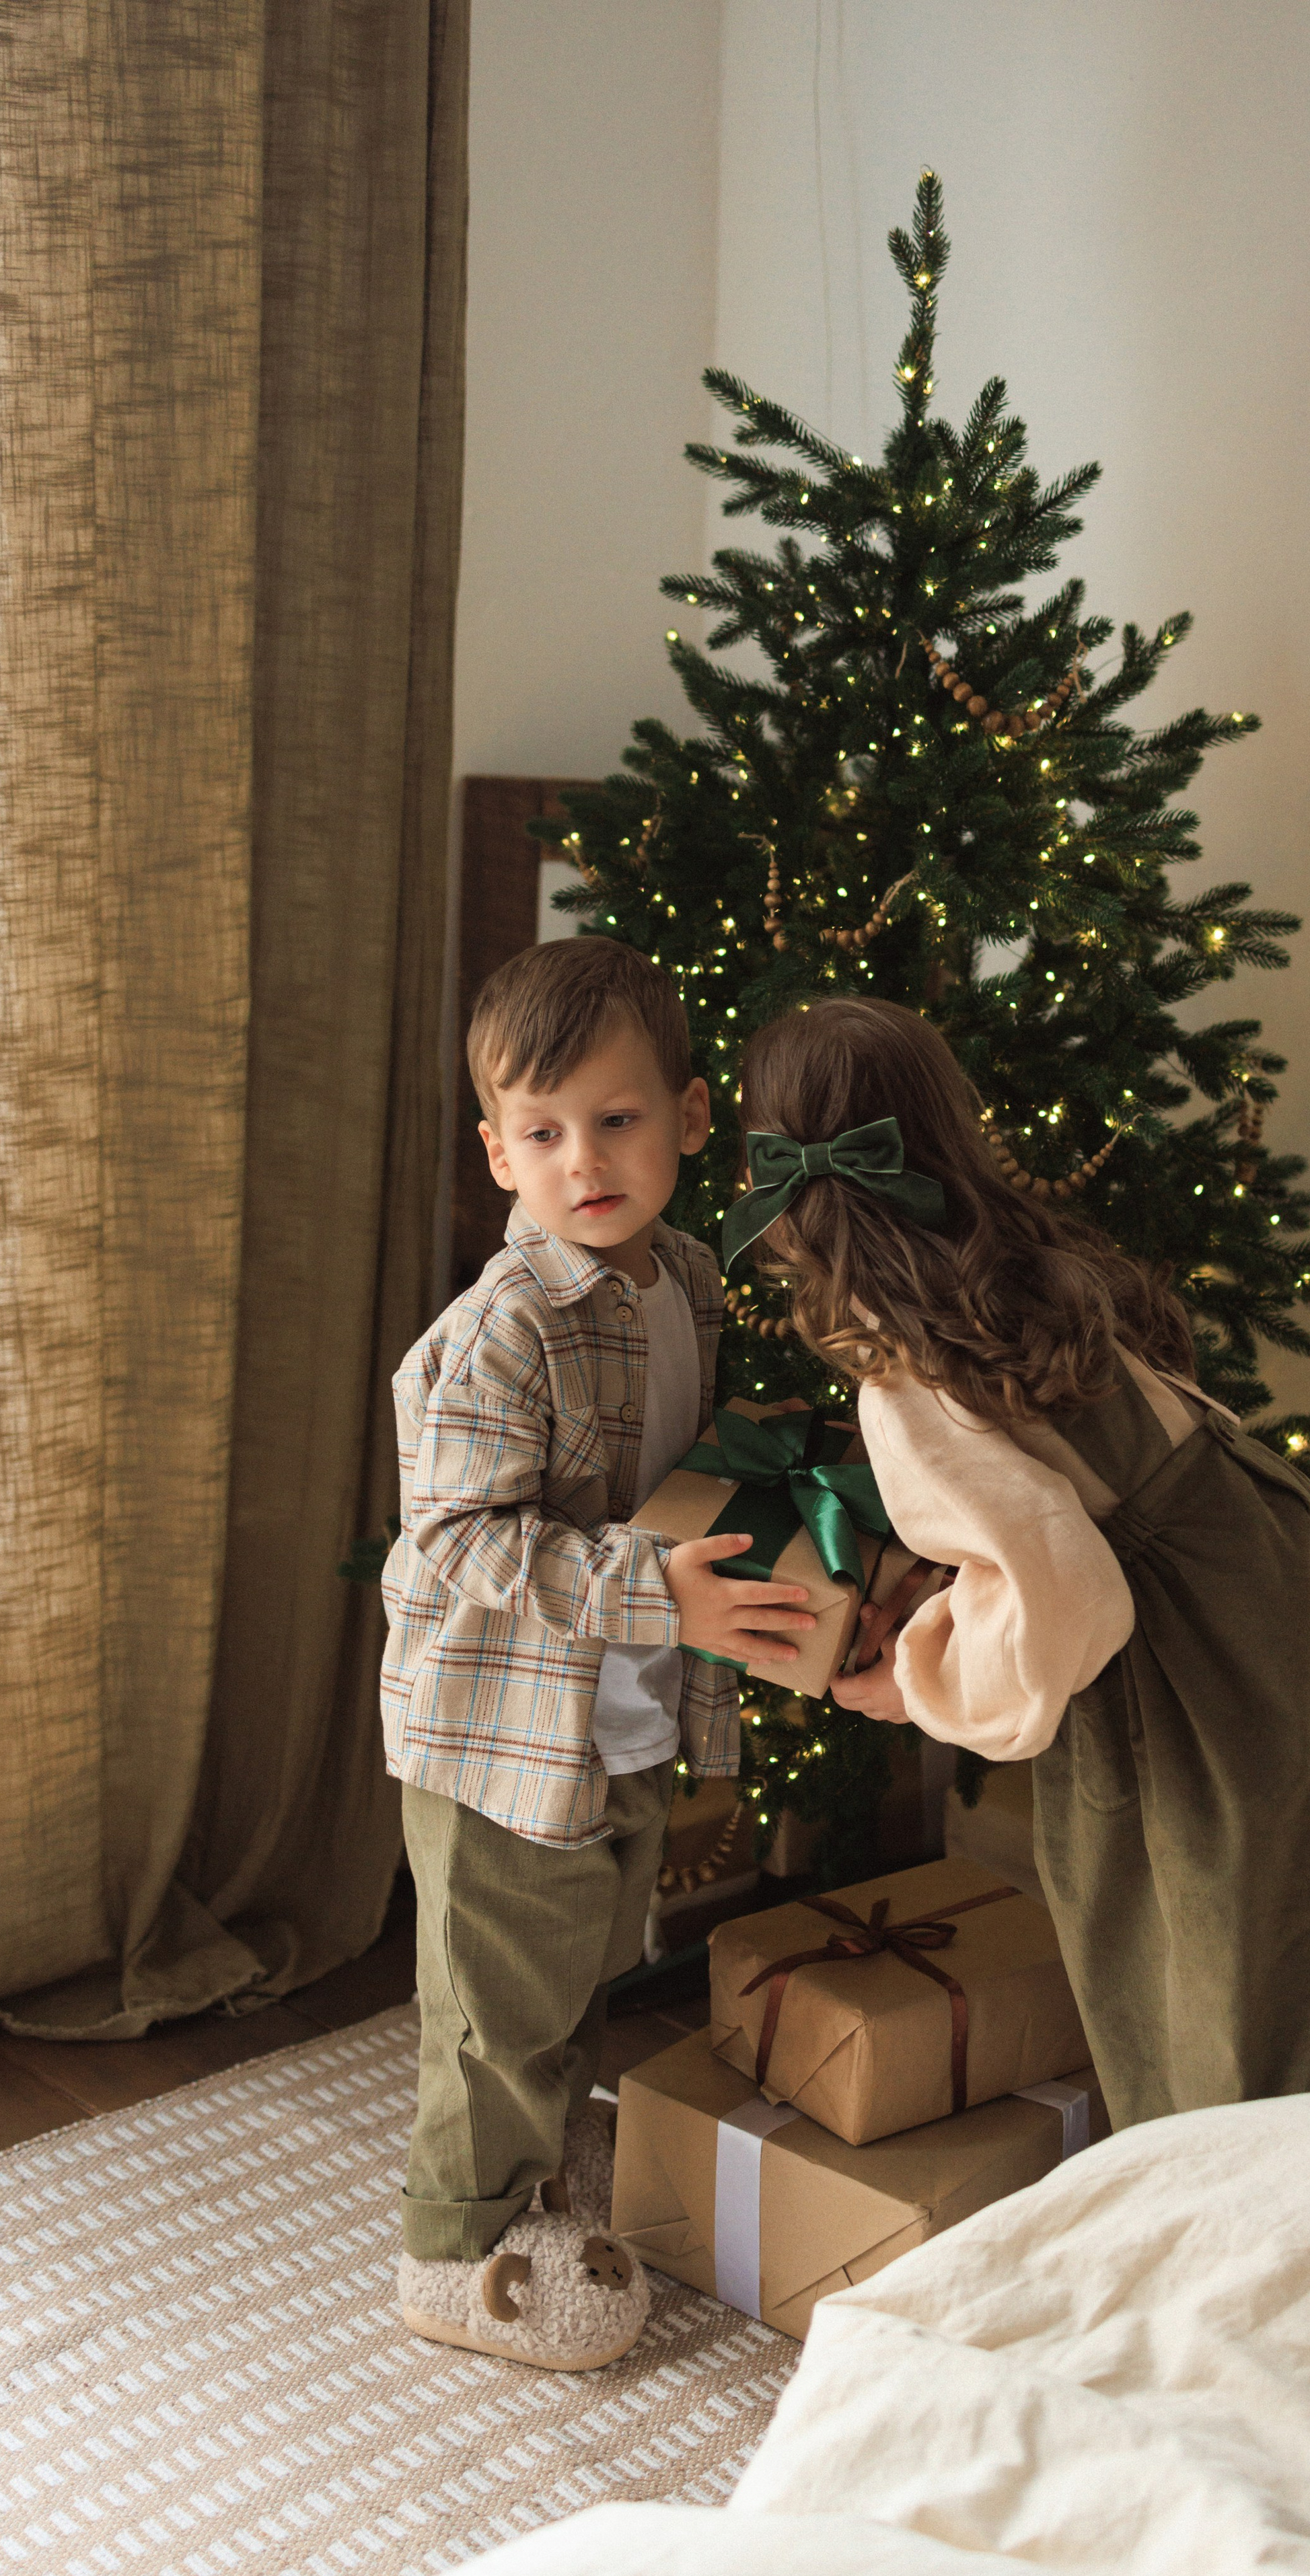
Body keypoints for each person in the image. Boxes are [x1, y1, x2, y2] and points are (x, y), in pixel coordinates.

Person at [722, 995, 1310, 2130]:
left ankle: (1249, 2148)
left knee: (1200, 1917)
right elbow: (1055, 1512)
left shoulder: (906, 1378)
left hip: (1177, 1632)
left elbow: (1064, 1594)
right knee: (1281, 1835)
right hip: (1257, 1542)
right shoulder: (1017, 1263)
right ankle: (1306, 2060)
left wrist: (917, 1683)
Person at [382, 939, 815, 2369]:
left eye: (616, 1119)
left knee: (579, 1959)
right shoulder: (503, 1332)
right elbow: (451, 1545)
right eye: (544, 1130)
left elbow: (682, 1466)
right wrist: (653, 1593)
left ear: (691, 1120)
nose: (584, 1159)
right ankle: (452, 2247)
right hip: (502, 1726)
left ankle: (538, 2179)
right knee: (494, 1997)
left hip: (619, 1709)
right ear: (496, 1149)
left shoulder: (686, 1279)